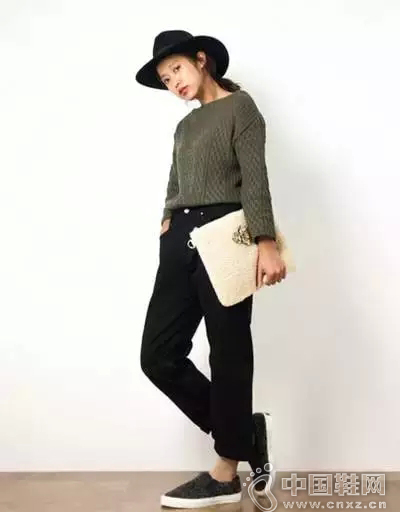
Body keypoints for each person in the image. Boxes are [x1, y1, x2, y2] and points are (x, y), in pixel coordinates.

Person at [135, 30, 286, 508]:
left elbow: (255, 177)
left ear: (201, 60)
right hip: (179, 240)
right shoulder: (184, 127)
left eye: (176, 69)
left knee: (228, 351)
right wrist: (167, 219)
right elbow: (175, 180)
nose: (173, 83)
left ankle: (225, 470)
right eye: (165, 79)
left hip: (226, 236)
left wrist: (266, 242)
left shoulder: (241, 108)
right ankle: (243, 431)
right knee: (158, 355)